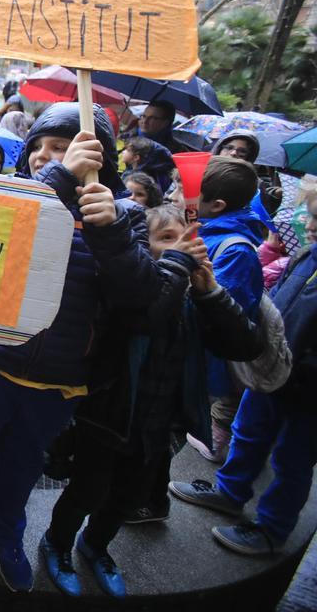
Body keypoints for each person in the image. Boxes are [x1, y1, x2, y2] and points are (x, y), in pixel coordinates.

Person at [0, 102, 158, 592]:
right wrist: (60, 178)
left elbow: (140, 295)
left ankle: (4, 535)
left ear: (99, 157)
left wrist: (109, 232)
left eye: (62, 148)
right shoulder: (17, 192)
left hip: (58, 377)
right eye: (39, 149)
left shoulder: (123, 214)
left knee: (20, 470)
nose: (46, 157)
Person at [41, 205, 260, 597]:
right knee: (86, 491)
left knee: (127, 495)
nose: (181, 249)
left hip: (158, 425)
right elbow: (147, 316)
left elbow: (245, 345)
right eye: (167, 241)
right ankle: (56, 544)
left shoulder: (195, 298)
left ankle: (96, 546)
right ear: (144, 249)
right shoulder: (127, 292)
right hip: (107, 417)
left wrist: (210, 292)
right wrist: (177, 265)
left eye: (186, 240)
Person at [169, 193, 317, 555]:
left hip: (309, 389)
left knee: (291, 458)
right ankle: (230, 491)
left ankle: (271, 529)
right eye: (312, 217)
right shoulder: (306, 256)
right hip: (273, 368)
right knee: (248, 432)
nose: (310, 227)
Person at [185, 157, 267, 464]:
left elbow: (222, 314)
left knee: (204, 411)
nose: (177, 194)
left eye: (186, 189)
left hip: (205, 357)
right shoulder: (205, 229)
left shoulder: (235, 250)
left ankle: (214, 443)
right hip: (194, 351)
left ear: (216, 205)